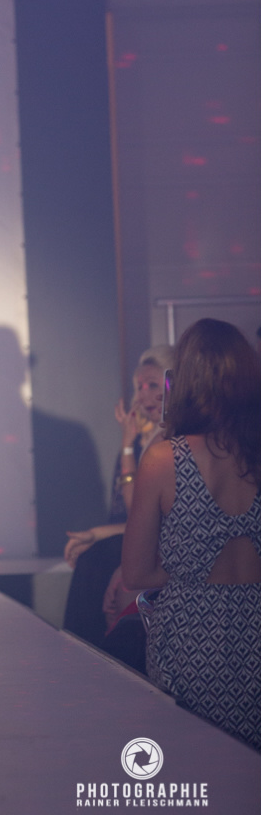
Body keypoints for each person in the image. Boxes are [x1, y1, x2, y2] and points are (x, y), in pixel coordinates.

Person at [122, 318, 260, 748]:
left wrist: (191, 570)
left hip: (193, 639)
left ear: (183, 381)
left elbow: (136, 573)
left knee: (198, 762)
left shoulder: (164, 459)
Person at [60, 348, 169, 656]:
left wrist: (126, 447)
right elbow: (132, 516)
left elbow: (141, 512)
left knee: (98, 559)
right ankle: (80, 652)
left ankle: (87, 654)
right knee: (93, 555)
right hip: (140, 532)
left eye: (153, 385)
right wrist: (96, 533)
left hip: (160, 540)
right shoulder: (143, 438)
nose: (144, 395)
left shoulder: (167, 439)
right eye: (139, 387)